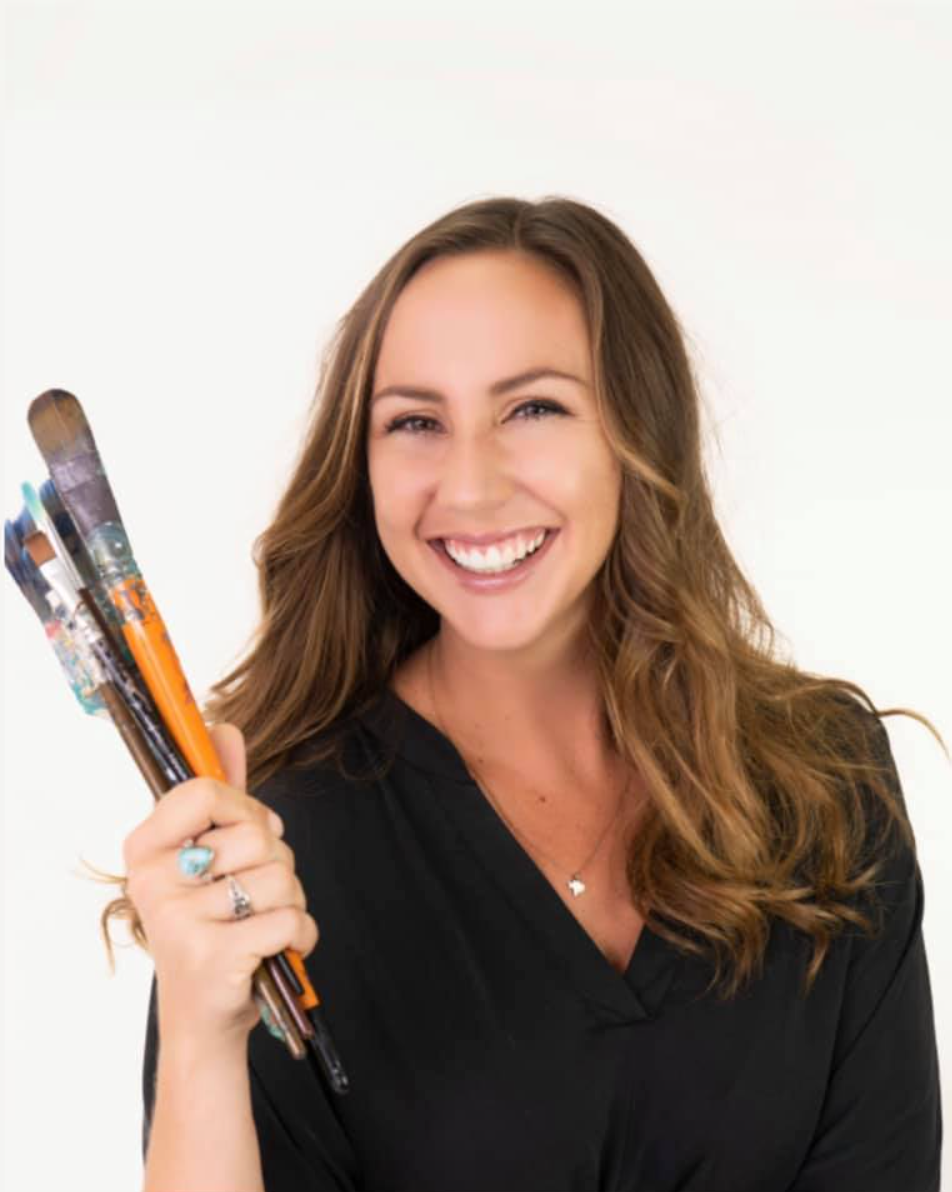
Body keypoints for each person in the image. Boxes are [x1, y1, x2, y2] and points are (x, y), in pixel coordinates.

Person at [122, 196, 942, 1191]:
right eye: (415, 421)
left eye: (532, 408)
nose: (468, 488)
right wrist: (202, 1034)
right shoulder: (278, 848)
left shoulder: (823, 779)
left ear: (636, 432)